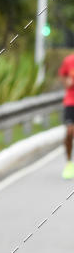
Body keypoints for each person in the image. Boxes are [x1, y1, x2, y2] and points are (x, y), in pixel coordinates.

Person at [58, 51, 74, 179]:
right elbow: (62, 75)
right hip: (71, 101)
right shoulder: (69, 60)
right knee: (69, 132)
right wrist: (66, 83)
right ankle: (69, 163)